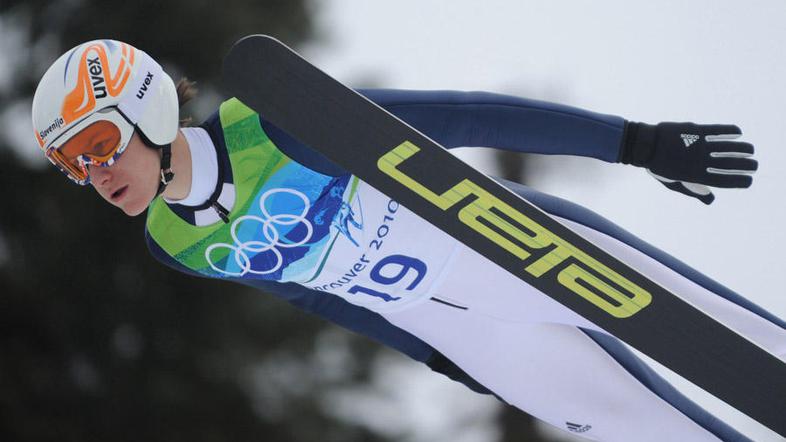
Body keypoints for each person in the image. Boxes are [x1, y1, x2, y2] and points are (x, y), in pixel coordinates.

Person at [31, 39, 785, 442]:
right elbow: (318, 295)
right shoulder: (175, 243)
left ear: (148, 107)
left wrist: (635, 144)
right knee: (654, 434)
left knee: (741, 340)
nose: (94, 171)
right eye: (71, 161)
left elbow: (461, 117)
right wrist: (436, 357)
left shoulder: (273, 126)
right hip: (465, 333)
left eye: (97, 140)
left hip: (509, 248)